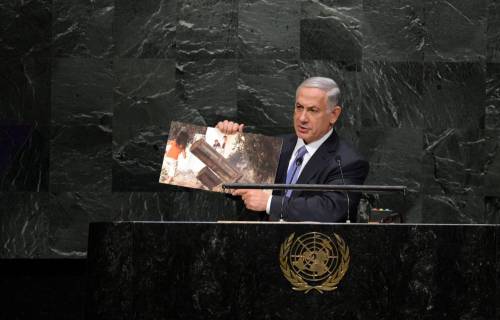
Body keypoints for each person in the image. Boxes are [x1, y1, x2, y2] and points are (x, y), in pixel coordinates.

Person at [216, 77, 369, 222]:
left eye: (313, 110)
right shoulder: (278, 145)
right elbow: (241, 187)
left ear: (334, 115)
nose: (302, 118)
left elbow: (331, 209)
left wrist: (270, 203)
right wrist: (227, 144)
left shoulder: (348, 161)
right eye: (299, 107)